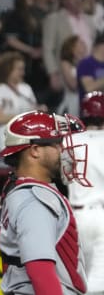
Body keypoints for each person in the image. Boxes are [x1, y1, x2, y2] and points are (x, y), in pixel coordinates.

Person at [0, 110, 89, 295]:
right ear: (35, 150)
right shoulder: (34, 200)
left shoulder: (18, 189)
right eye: (56, 144)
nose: (63, 151)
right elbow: (40, 271)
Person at [69, 91, 104, 294]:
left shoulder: (69, 141)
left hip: (75, 217)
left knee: (76, 279)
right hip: (100, 215)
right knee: (99, 284)